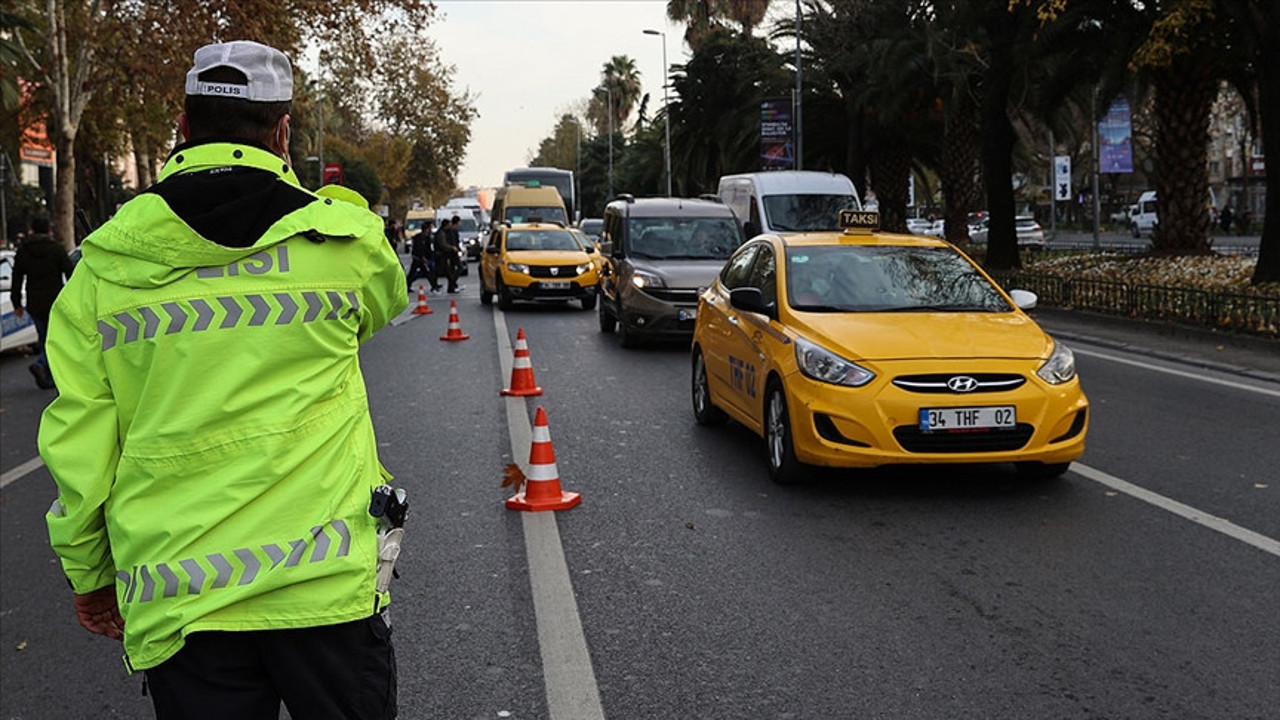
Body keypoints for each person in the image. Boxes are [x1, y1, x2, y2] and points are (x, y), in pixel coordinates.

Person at [37, 40, 406, 719]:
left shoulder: (104, 265)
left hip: (183, 598)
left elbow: (81, 447)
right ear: (282, 129)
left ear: (182, 126)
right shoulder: (341, 244)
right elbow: (385, 298)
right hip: (322, 590)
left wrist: (90, 574)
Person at [9, 215, 74, 389]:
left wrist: (16, 303)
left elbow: (16, 277)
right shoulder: (56, 249)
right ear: (49, 230)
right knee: (55, 338)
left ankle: (47, 373)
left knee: (43, 336)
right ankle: (42, 364)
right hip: (55, 300)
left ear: (32, 230)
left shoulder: (23, 250)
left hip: (34, 301)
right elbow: (70, 271)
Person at [405, 225, 436, 291]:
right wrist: (422, 257)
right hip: (418, 258)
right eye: (429, 229)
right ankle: (434, 286)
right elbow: (419, 248)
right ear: (426, 229)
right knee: (424, 272)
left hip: (419, 257)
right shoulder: (420, 237)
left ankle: (407, 285)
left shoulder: (425, 237)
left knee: (418, 272)